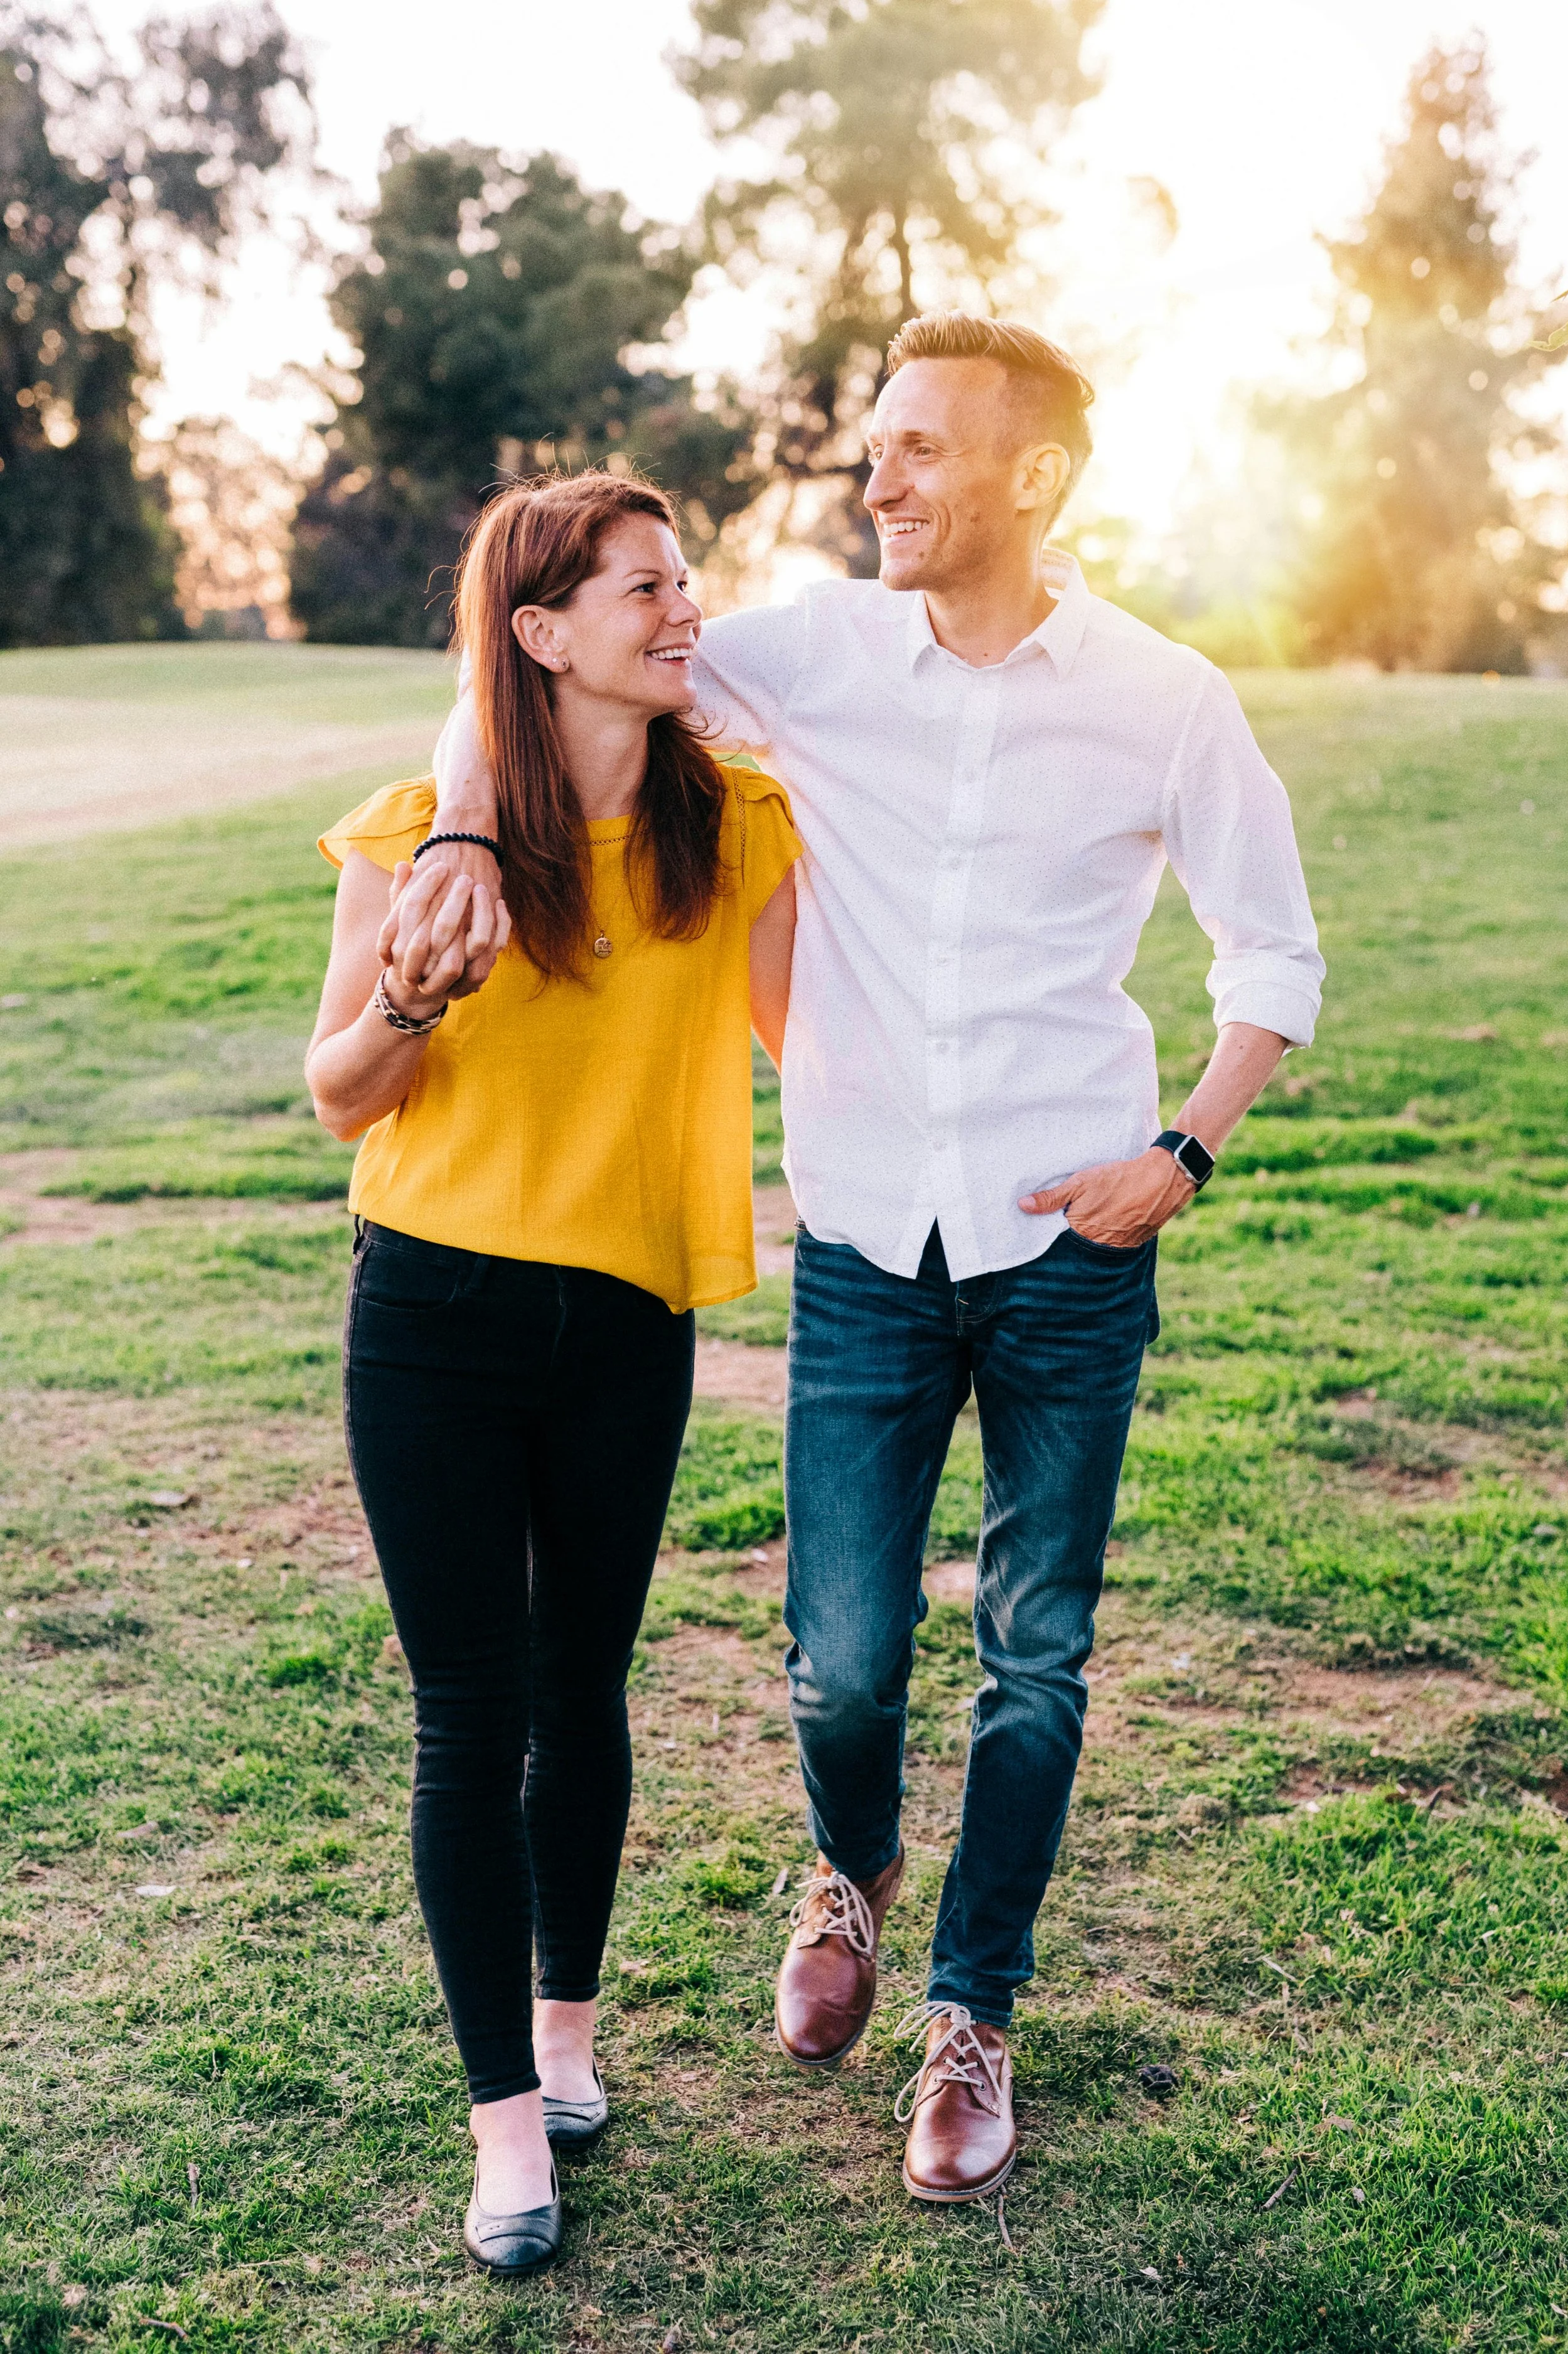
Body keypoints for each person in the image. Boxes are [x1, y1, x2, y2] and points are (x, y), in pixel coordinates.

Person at [412, 312, 1324, 2206]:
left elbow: (1273, 957)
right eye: (878, 447)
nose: (876, 479)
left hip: (1068, 1236)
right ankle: (848, 1859)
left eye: (915, 448)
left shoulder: (1164, 696)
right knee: (839, 1665)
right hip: (857, 1238)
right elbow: (534, 671)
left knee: (1035, 1653)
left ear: (1029, 477)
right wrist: (458, 833)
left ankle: (967, 2011)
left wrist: (1183, 1148)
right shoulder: (804, 654)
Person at [304, 470, 799, 2275]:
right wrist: (420, 992)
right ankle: (503, 2123)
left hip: (627, 1324)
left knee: (584, 1687)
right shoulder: (413, 838)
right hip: (430, 1311)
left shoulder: (736, 827)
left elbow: (816, 1038)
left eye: (686, 582)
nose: (685, 613)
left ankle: (570, 2035)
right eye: (642, 590)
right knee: (470, 1712)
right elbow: (340, 1090)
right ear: (536, 632)